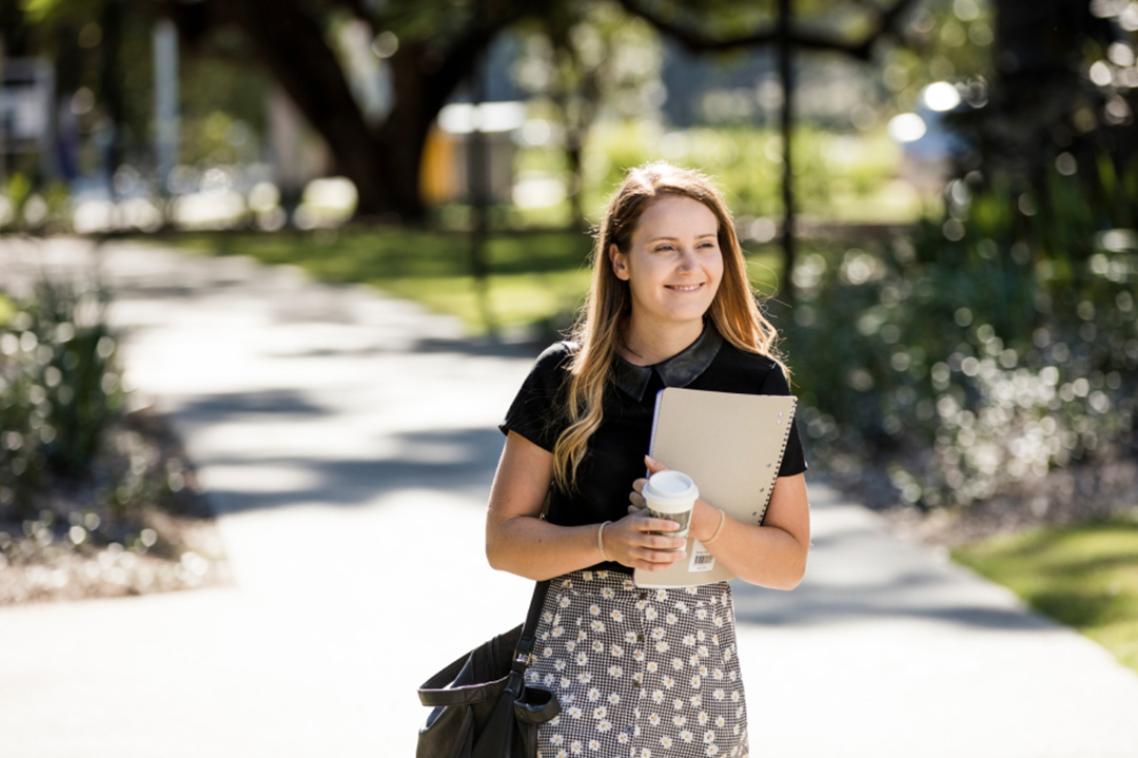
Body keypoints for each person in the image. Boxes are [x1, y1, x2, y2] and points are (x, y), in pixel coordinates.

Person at [485, 161, 810, 758]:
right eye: (665, 247)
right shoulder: (562, 378)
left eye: (705, 245)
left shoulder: (757, 382)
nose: (691, 267)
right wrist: (610, 539)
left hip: (698, 684)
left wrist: (705, 523)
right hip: (571, 680)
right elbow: (503, 543)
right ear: (620, 261)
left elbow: (787, 563)